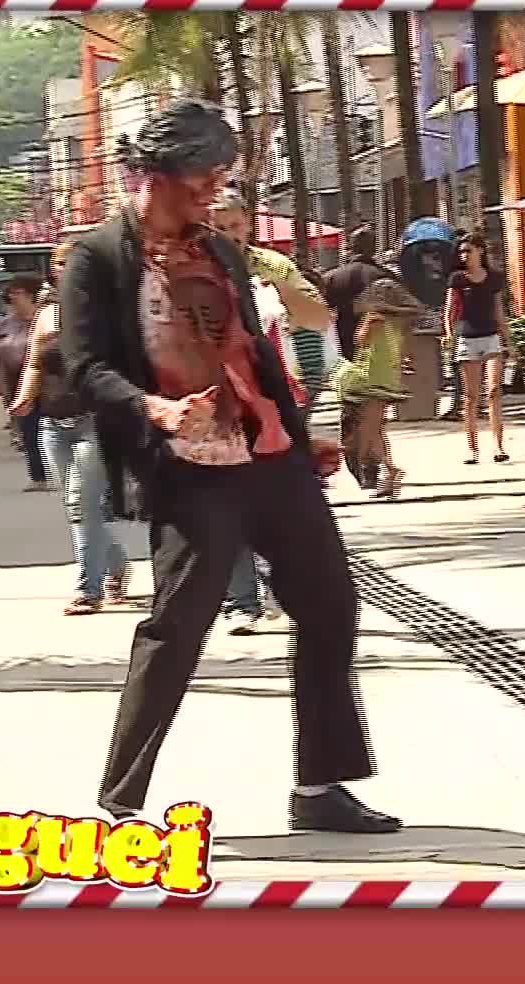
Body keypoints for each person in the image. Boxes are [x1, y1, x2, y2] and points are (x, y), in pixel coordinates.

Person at [58, 99, 399, 832]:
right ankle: (120, 804)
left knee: (330, 604)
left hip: (270, 456)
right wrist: (153, 409)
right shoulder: (99, 256)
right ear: (156, 176)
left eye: (221, 176)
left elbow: (253, 353)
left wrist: (298, 437)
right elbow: (84, 367)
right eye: (203, 177)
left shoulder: (221, 252)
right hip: (190, 466)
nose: (215, 190)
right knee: (179, 626)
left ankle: (320, 787)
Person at [206, 189, 336, 634]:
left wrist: (281, 292)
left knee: (276, 501)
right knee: (227, 503)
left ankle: (281, 595)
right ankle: (241, 602)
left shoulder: (273, 266)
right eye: (219, 227)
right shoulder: (191, 268)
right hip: (216, 403)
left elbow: (319, 318)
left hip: (275, 401)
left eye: (236, 225)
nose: (229, 235)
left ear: (248, 223)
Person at [11, 253, 132, 617]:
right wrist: (23, 397)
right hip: (52, 421)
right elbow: (35, 360)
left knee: (82, 503)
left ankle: (88, 589)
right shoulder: (47, 314)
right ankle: (116, 564)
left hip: (93, 419)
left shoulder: (105, 311)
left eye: (72, 263)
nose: (64, 270)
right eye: (60, 264)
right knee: (76, 505)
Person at [333, 276, 425, 500]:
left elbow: (360, 340)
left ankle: (388, 470)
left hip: (370, 376)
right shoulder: (400, 324)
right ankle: (386, 474)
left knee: (371, 429)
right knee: (376, 428)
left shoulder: (374, 317)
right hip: (387, 377)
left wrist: (365, 326)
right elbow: (406, 351)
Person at [445, 231, 511, 465]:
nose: (464, 255)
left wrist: (509, 341)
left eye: (468, 251)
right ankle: (472, 448)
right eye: (461, 252)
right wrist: (449, 336)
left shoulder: (493, 278)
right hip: (468, 338)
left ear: (480, 251)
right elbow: (450, 311)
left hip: (491, 337)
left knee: (494, 391)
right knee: (470, 397)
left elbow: (499, 312)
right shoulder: (457, 279)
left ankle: (498, 446)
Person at [0, 274, 50, 491]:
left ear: (32, 295)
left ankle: (57, 471)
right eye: (11, 293)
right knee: (28, 429)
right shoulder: (5, 323)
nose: (12, 297)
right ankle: (38, 476)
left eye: (17, 292)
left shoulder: (47, 319)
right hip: (16, 380)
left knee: (47, 427)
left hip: (46, 380)